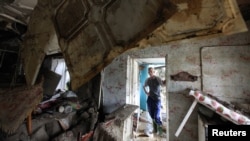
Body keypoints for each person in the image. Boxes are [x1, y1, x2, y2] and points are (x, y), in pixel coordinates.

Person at [143, 67, 166, 137]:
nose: (150, 73)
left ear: (154, 72)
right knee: (152, 115)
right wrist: (146, 92)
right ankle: (155, 130)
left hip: (157, 99)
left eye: (152, 71)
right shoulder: (148, 80)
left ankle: (161, 130)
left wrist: (166, 81)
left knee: (156, 116)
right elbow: (144, 86)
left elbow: (163, 85)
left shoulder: (157, 78)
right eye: (149, 72)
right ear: (148, 73)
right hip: (150, 99)